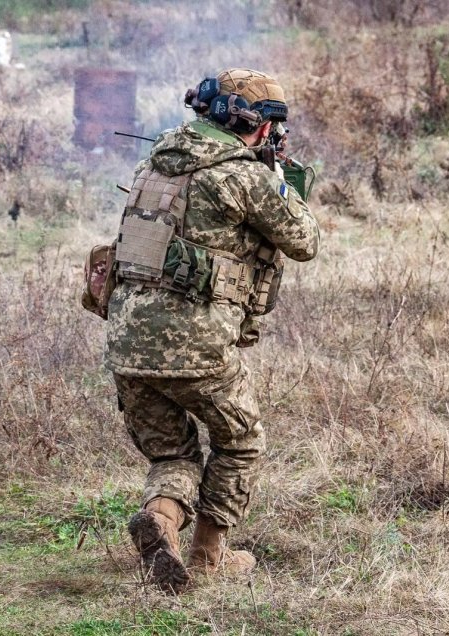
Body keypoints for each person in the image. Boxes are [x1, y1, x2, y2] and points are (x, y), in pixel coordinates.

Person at [103, 68, 320, 593]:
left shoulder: (153, 161)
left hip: (126, 341)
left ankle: (160, 519)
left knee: (173, 453)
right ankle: (207, 557)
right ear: (261, 127)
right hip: (194, 346)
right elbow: (304, 240)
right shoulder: (245, 177)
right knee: (240, 440)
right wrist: (282, 176)